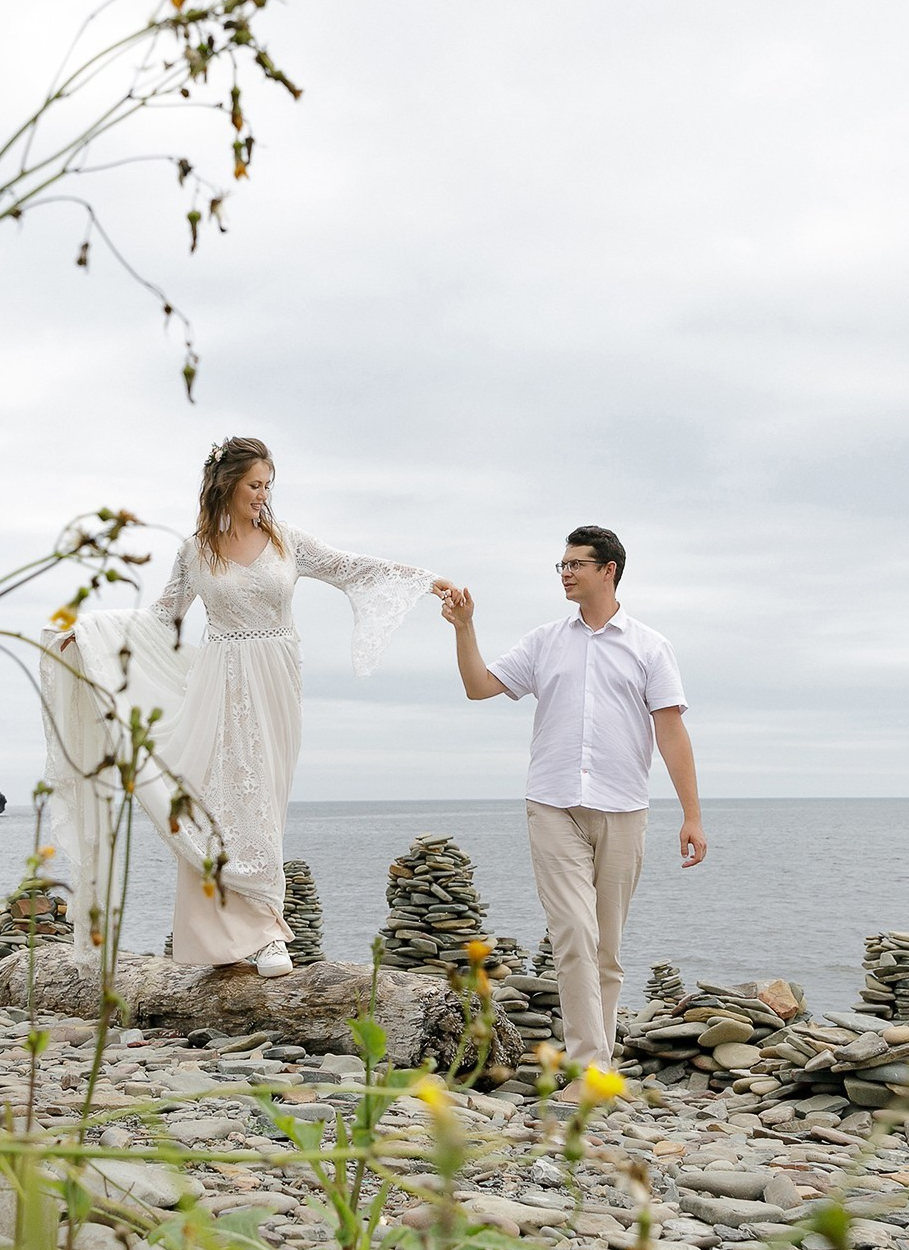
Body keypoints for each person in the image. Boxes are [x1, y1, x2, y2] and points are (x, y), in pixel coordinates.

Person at [43, 437, 436, 977]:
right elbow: (164, 616)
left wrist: (423, 581)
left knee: (264, 800)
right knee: (219, 793)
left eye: (268, 485)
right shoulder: (196, 549)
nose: (263, 495)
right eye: (255, 485)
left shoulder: (286, 540)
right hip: (220, 677)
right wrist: (87, 635)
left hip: (277, 678)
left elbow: (350, 568)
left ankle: (264, 926)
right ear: (226, 486)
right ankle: (252, 937)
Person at [433, 526, 704, 1097]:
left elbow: (672, 735)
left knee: (606, 948)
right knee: (574, 935)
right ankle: (589, 1068)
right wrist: (465, 629)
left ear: (608, 570)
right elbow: (479, 686)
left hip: (624, 808)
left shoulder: (651, 647)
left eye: (576, 564)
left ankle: (595, 1064)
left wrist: (692, 816)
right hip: (552, 803)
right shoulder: (544, 641)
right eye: (560, 565)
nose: (565, 573)